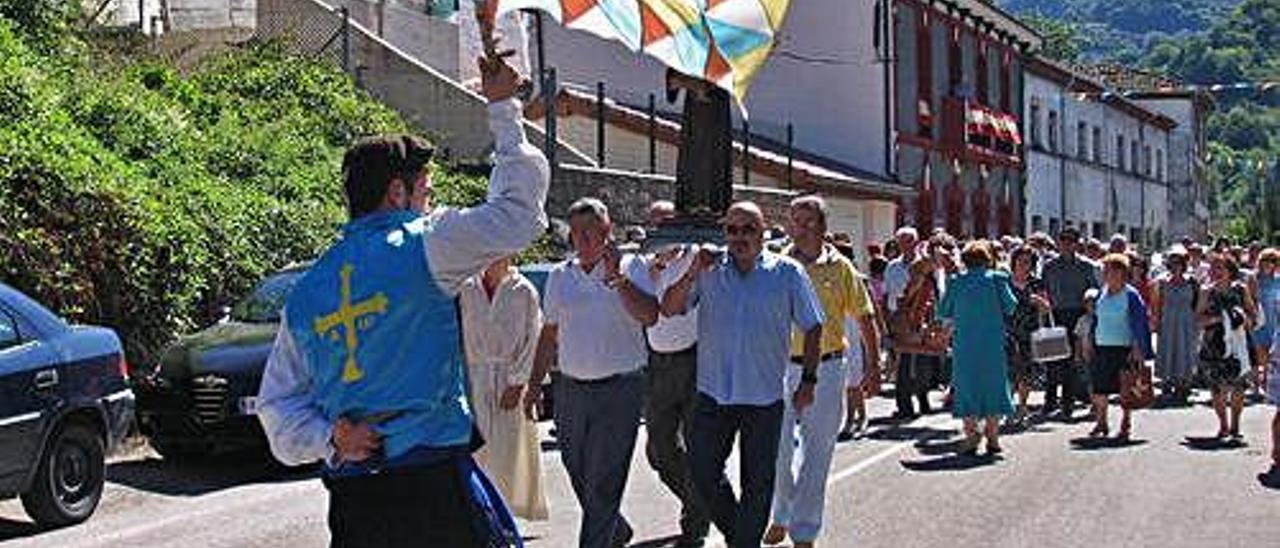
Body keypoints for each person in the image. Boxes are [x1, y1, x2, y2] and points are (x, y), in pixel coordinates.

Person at [256, 52, 549, 547]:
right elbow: (519, 215)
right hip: (430, 491)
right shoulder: (426, 244)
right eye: (426, 192)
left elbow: (276, 406)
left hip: (357, 505)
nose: (429, 203)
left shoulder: (306, 291)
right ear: (398, 193)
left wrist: (332, 437)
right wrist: (503, 108)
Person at [661, 201, 824, 548]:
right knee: (701, 471)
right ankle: (741, 538)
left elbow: (813, 326)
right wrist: (691, 271)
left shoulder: (788, 272)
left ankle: (744, 542)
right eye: (731, 230)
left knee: (759, 484)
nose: (739, 237)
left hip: (764, 398)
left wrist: (809, 380)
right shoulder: (708, 270)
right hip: (713, 395)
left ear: (763, 234)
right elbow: (670, 308)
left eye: (747, 229)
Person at [522, 198, 660, 548]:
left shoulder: (632, 268)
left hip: (620, 389)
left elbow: (650, 315)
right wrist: (535, 384)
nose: (583, 240)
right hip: (571, 390)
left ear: (607, 232)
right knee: (576, 467)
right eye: (577, 233)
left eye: (591, 232)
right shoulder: (559, 276)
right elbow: (549, 334)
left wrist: (617, 279)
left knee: (604, 481)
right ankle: (614, 528)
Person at [765, 197, 880, 548]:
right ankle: (781, 513)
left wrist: (874, 363)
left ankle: (804, 531)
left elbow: (864, 315)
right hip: (781, 365)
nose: (798, 228)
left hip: (829, 366)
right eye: (794, 221)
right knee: (777, 448)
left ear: (822, 226)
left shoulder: (840, 266)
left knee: (818, 452)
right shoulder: (776, 265)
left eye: (806, 221)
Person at [634, 200, 710, 547]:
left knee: (696, 445)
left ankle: (695, 524)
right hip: (657, 362)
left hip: (695, 360)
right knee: (659, 451)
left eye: (666, 222)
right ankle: (701, 502)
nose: (660, 229)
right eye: (655, 223)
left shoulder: (698, 257)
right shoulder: (640, 264)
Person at [459, 257, 548, 521]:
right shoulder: (467, 287)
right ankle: (480, 515)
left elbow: (534, 336)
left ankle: (505, 516)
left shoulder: (523, 290)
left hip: (509, 377)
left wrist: (519, 381)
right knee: (477, 451)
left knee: (507, 452)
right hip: (474, 377)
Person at [937, 241, 1018, 455]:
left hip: (965, 345)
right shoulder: (998, 280)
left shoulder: (956, 282)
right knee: (994, 386)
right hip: (992, 343)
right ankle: (993, 437)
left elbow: (944, 310)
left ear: (964, 261)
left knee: (967, 387)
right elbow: (1011, 307)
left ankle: (971, 435)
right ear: (987, 259)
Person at [1088, 254, 1154, 441]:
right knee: (1099, 388)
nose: (1108, 274)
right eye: (1106, 270)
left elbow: (1140, 323)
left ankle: (1126, 422)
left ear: (1123, 273)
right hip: (1102, 346)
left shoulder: (1131, 295)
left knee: (1127, 389)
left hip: (1124, 348)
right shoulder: (1102, 292)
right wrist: (1090, 341)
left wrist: (1138, 348)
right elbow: (1096, 319)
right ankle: (1102, 422)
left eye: (1113, 270)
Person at [1197, 254, 1259, 442]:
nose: (1215, 272)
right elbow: (1198, 319)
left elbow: (1253, 314)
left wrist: (1243, 318)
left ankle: (1235, 425)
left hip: (1239, 343)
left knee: (1239, 387)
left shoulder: (1240, 289)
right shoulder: (1206, 291)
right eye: (1213, 268)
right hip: (1215, 344)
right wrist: (1218, 319)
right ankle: (1223, 424)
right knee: (1218, 388)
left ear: (1230, 270)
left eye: (1219, 268)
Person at [1041, 228, 1100, 420]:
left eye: (1071, 241)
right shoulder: (1049, 266)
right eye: (1063, 241)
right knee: (1052, 360)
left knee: (1071, 362)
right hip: (1055, 315)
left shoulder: (1086, 266)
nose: (1066, 244)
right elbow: (1044, 290)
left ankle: (1068, 402)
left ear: (1077, 243)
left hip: (1077, 314)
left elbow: (1094, 292)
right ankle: (1050, 400)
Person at [1006, 247, 1052, 424]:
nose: (1024, 265)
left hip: (1029, 332)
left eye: (1028, 262)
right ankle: (1008, 406)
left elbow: (1047, 308)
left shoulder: (1037, 283)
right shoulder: (1005, 282)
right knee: (1008, 372)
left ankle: (1022, 406)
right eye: (1021, 261)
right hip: (1007, 331)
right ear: (1014, 261)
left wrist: (1041, 303)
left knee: (1026, 373)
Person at [1152, 246, 1200, 405]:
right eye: (1172, 263)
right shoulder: (1161, 282)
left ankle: (1183, 383)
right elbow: (1157, 304)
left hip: (1186, 321)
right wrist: (1156, 322)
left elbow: (1198, 303)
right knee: (1167, 349)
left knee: (1185, 351)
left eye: (1178, 262)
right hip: (1168, 320)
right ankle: (1167, 381)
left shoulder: (1192, 281)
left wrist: (1197, 323)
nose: (1175, 266)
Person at [1252, 249, 1280, 373]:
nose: (1269, 263)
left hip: (1273, 321)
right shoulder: (1253, 279)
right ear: (1260, 261)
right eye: (1266, 260)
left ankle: (1267, 384)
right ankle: (1258, 386)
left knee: (1272, 355)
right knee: (1258, 356)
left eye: (1273, 261)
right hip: (1257, 321)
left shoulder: (1278, 281)